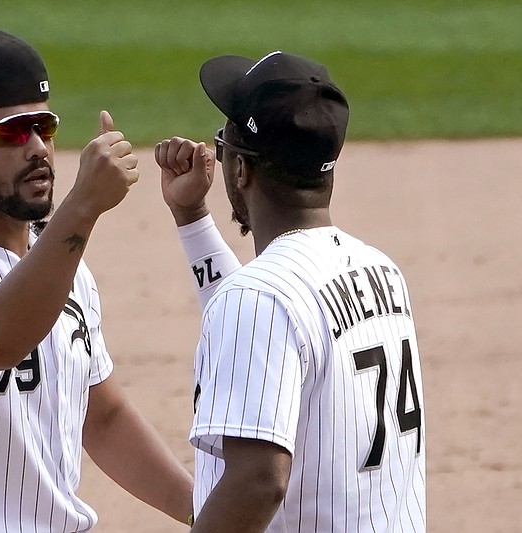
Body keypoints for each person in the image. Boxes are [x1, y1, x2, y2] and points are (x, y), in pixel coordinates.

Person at [0, 29, 193, 532]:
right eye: (9, 132)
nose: (37, 148)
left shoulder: (63, 259)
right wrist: (82, 208)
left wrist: (208, 514)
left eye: (43, 126)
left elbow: (102, 414)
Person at [154, 51, 426, 532]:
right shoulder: (381, 272)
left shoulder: (262, 298)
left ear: (241, 171)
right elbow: (263, 318)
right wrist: (191, 217)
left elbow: (260, 481)